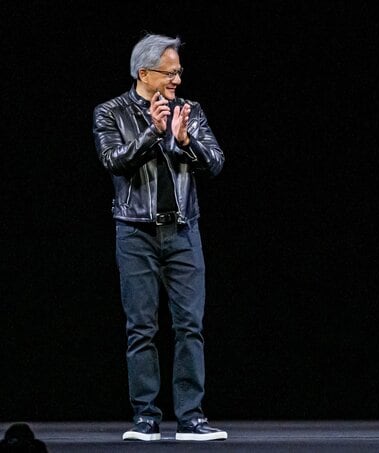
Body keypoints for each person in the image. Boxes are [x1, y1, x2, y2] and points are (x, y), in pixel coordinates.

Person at [92, 33, 227, 441]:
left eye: (179, 72)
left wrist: (185, 141)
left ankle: (191, 418)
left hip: (183, 231)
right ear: (144, 73)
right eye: (170, 73)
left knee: (190, 326)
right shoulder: (111, 112)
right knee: (141, 328)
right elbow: (114, 161)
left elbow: (215, 163)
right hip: (136, 232)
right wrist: (153, 131)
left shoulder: (190, 111)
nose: (177, 80)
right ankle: (145, 418)